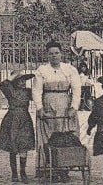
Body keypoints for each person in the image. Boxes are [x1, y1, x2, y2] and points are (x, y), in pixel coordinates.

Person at [33, 40, 81, 183]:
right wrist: (39, 108)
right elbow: (36, 91)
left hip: (65, 106)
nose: (54, 56)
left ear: (61, 54)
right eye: (51, 54)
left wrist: (74, 107)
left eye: (56, 53)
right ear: (47, 55)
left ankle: (64, 168)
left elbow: (77, 89)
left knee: (65, 135)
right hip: (48, 107)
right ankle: (47, 169)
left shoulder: (70, 69)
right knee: (47, 136)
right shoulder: (42, 70)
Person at [0, 70, 36, 183]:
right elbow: (3, 84)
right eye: (20, 80)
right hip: (12, 119)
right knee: (12, 146)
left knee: (24, 145)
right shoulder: (10, 91)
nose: (23, 82)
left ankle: (23, 172)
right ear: (15, 82)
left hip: (25, 119)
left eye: (24, 80)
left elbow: (38, 94)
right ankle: (14, 173)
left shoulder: (28, 92)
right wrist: (12, 76)